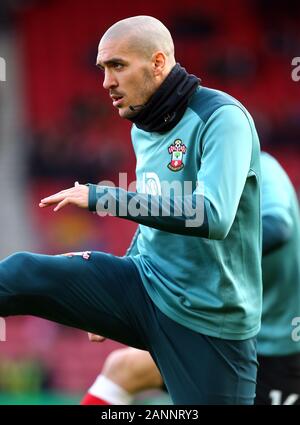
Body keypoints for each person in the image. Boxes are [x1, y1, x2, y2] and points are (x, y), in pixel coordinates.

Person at [0, 15, 262, 404]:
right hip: (146, 285)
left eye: (117, 66)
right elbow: (153, 220)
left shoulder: (222, 118)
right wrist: (108, 296)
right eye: (103, 68)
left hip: (210, 321)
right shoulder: (144, 124)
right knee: (21, 272)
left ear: (158, 63)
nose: (106, 82)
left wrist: (106, 197)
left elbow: (212, 216)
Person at [81, 152, 300, 406]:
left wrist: (206, 259)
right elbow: (153, 242)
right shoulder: (184, 183)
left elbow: (278, 226)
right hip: (223, 333)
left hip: (280, 346)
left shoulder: (260, 168)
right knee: (124, 368)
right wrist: (110, 300)